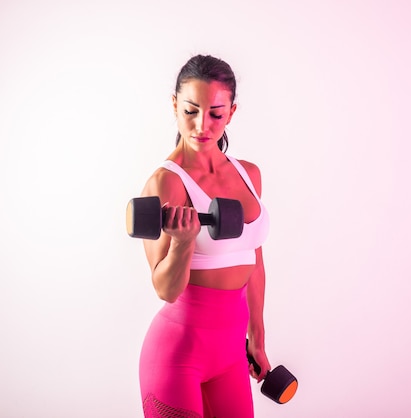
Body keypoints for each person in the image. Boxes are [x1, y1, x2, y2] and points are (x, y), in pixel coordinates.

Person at [138, 54, 271, 418]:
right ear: (174, 105)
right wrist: (182, 243)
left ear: (232, 111)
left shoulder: (249, 174)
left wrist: (257, 338)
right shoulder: (165, 182)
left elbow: (254, 260)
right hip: (178, 356)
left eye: (215, 113)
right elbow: (165, 289)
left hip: (230, 355)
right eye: (191, 111)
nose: (202, 125)